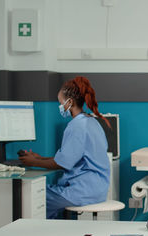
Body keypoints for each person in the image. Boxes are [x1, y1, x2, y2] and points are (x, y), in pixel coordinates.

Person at [19, 76, 111, 219]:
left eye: (61, 103)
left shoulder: (77, 126)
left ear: (70, 102)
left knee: (37, 197)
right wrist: (39, 158)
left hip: (83, 191)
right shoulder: (92, 122)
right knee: (49, 197)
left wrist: (33, 162)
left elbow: (62, 163)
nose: (60, 107)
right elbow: (71, 157)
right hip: (97, 189)